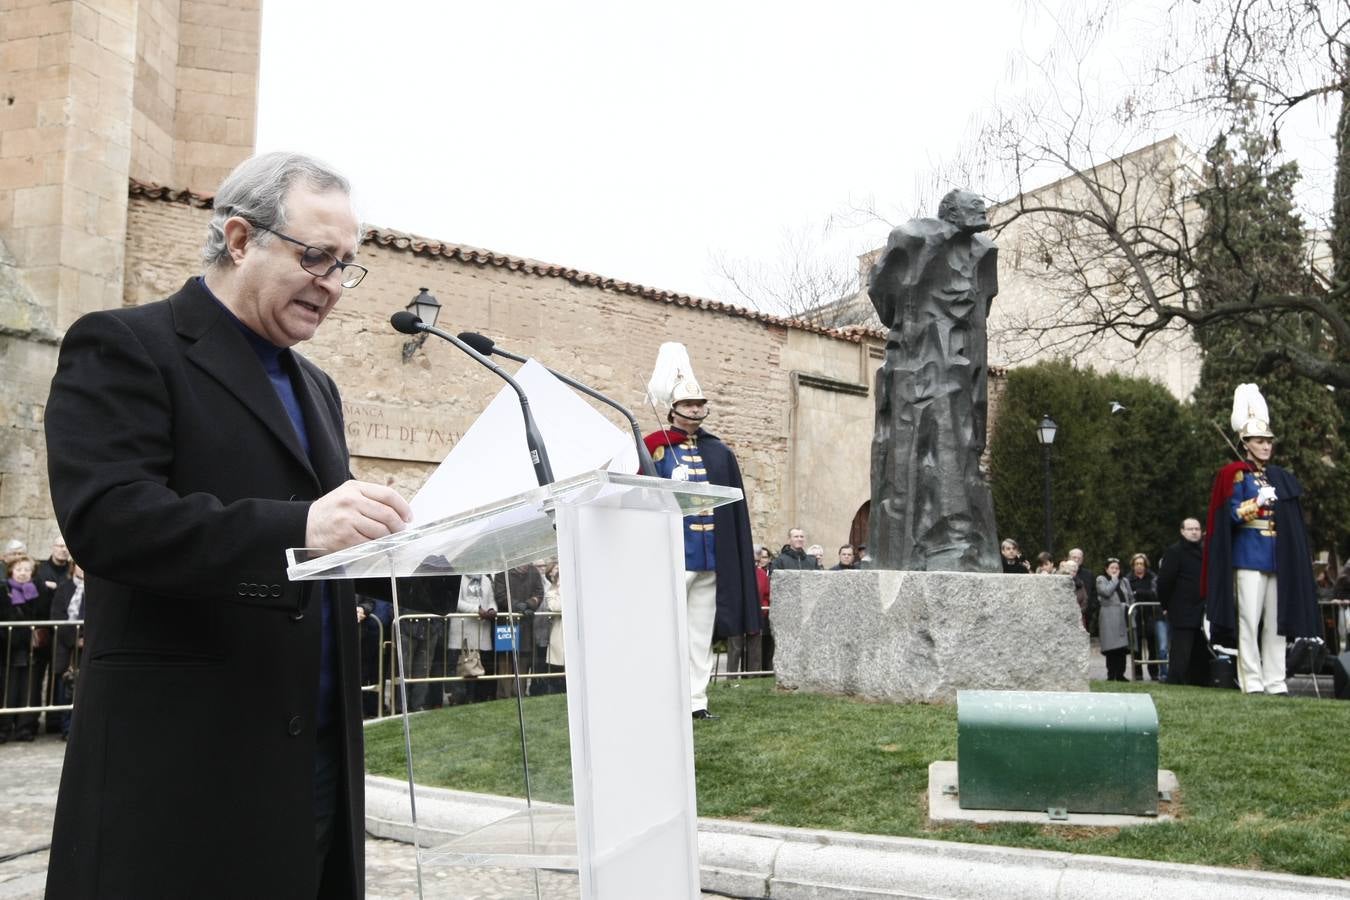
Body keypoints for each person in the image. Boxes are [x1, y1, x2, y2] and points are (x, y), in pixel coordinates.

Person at [42, 151, 413, 899]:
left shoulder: (318, 387)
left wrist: (435, 554)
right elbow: (109, 519)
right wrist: (301, 526)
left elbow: (330, 550)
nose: (334, 285)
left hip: (310, 763)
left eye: (347, 266)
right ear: (240, 239)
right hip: (181, 773)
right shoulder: (126, 345)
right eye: (316, 257)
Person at [645, 343, 758, 720]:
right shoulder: (655, 450)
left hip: (712, 557)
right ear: (673, 409)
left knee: (699, 632)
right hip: (675, 555)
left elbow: (733, 509)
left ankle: (696, 700)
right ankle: (661, 693)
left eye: (699, 404)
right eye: (689, 405)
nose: (695, 410)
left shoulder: (718, 452)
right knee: (666, 629)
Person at [1202, 384, 1320, 696]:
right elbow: (1227, 516)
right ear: (1246, 443)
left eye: (1268, 441)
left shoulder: (1279, 476)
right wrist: (1256, 503)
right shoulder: (1236, 475)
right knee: (1249, 621)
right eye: (1259, 441)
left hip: (1276, 556)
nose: (1266, 446)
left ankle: (1276, 680)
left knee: (1276, 624)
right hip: (1248, 555)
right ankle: (1252, 680)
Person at [1157, 518, 1209, 686]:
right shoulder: (1174, 551)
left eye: (1197, 528)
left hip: (1202, 609)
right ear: (1182, 531)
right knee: (1181, 648)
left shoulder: (1205, 551)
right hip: (1181, 607)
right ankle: (1176, 679)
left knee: (1200, 647)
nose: (1194, 532)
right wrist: (1165, 605)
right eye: (1190, 529)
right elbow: (1164, 581)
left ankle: (1199, 679)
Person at [2, 555, 41, 742]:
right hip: (7, 647)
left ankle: (24, 727)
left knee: (28, 689)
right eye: (19, 570)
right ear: (11, 571)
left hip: (29, 648)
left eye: (26, 570)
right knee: (7, 689)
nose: (23, 573)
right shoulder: (4, 591)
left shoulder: (36, 591)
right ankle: (3, 727)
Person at [49, 563, 86, 737]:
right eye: (79, 566)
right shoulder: (64, 588)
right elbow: (57, 615)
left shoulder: (96, 591)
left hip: (89, 645)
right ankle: (66, 726)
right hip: (66, 646)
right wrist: (74, 639)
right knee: (65, 686)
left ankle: (79, 728)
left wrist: (86, 639)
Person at [451, 573, 498, 705]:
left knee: (477, 665)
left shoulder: (486, 580)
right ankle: (458, 697)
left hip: (481, 629)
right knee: (462, 664)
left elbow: (491, 600)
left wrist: (492, 609)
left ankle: (474, 697)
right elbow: (455, 601)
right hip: (462, 628)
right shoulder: (458, 578)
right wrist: (476, 609)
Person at [1127, 553, 1163, 681]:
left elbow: (1155, 594)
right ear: (1133, 566)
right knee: (1136, 646)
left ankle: (1154, 672)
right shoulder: (1128, 579)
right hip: (1135, 615)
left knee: (1152, 646)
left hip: (1150, 615)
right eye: (1136, 564)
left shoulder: (1152, 577)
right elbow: (1129, 595)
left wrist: (1140, 593)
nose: (1139, 566)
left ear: (1145, 565)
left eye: (1141, 564)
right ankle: (1138, 673)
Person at [1096, 558, 1133, 682]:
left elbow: (1130, 597)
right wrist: (1114, 580)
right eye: (1112, 568)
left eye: (1117, 568)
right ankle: (1111, 674)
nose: (1115, 570)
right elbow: (1106, 592)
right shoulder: (1101, 579)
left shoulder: (1125, 581)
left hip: (1123, 616)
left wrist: (1132, 610)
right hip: (1109, 617)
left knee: (1122, 648)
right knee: (1111, 648)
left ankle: (1120, 674)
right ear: (1106, 569)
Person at [542, 561, 566, 694]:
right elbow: (556, 608)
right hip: (558, 629)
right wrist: (560, 590)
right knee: (558, 662)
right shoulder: (551, 592)